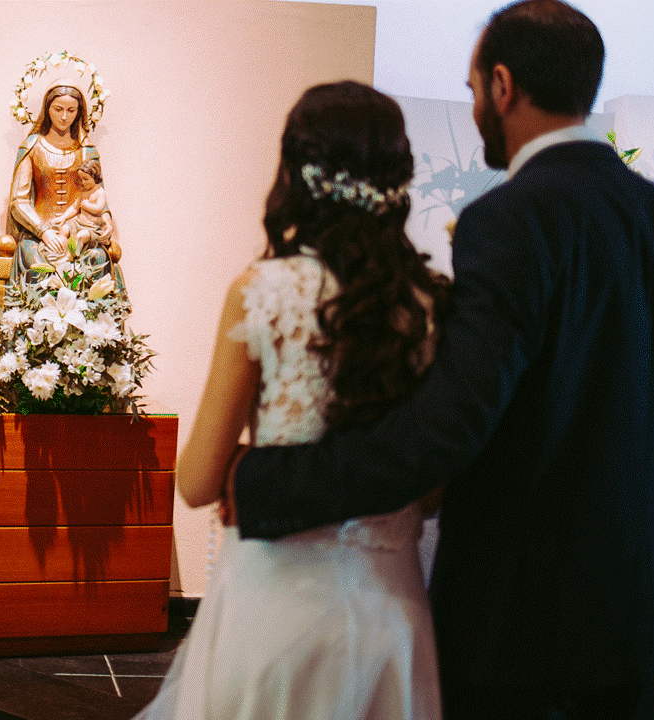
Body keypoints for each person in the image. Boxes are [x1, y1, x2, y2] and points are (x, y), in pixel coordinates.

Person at [230, 2, 654, 719]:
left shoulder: (509, 219)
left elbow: (451, 424)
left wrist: (271, 481)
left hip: (516, 621)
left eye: (471, 91)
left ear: (503, 85)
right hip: (632, 617)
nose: (473, 109)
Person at [134, 81, 449, 720]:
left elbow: (195, 482)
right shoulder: (431, 306)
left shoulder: (264, 292)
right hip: (389, 612)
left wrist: (243, 464)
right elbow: (435, 485)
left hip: (273, 609)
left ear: (294, 172)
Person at [6, 83, 125, 293]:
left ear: (79, 112)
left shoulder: (86, 150)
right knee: (37, 264)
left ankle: (90, 324)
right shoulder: (32, 147)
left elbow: (99, 194)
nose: (64, 117)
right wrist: (43, 232)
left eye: (71, 110)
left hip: (81, 229)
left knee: (95, 259)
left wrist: (106, 221)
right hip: (38, 233)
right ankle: (34, 324)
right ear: (47, 109)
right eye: (57, 109)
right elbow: (19, 201)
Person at [50, 158, 109, 260]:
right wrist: (64, 217)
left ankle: (69, 258)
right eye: (81, 179)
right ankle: (59, 252)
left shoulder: (100, 192)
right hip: (77, 224)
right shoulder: (83, 192)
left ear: (95, 177)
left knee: (81, 236)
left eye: (85, 179)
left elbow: (99, 208)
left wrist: (87, 206)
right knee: (64, 229)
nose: (83, 182)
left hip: (92, 227)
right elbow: (74, 207)